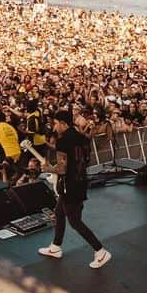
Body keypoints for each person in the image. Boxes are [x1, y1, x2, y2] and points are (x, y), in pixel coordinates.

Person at [38, 110, 111, 268]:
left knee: (75, 221)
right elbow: (86, 159)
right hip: (81, 181)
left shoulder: (63, 141)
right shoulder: (82, 138)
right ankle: (56, 247)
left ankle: (100, 251)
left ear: (64, 124)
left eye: (56, 123)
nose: (54, 127)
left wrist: (48, 168)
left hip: (69, 186)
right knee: (59, 213)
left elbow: (62, 169)